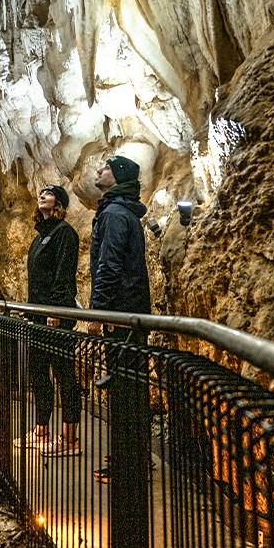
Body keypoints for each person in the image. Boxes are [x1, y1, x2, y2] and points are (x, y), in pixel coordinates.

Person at [87, 155, 150, 486]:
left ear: (119, 176)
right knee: (131, 388)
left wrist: (99, 311)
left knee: (125, 391)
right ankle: (133, 456)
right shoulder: (122, 212)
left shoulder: (113, 214)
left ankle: (129, 464)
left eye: (106, 168)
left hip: (121, 315)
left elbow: (108, 265)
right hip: (131, 312)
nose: (99, 171)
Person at [14, 184, 82, 457]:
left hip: (55, 317)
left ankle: (70, 439)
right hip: (38, 315)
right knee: (39, 373)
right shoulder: (40, 237)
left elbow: (64, 275)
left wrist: (55, 310)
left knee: (64, 374)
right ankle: (42, 431)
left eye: (49, 193)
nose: (42, 194)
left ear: (60, 204)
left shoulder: (65, 234)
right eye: (41, 192)